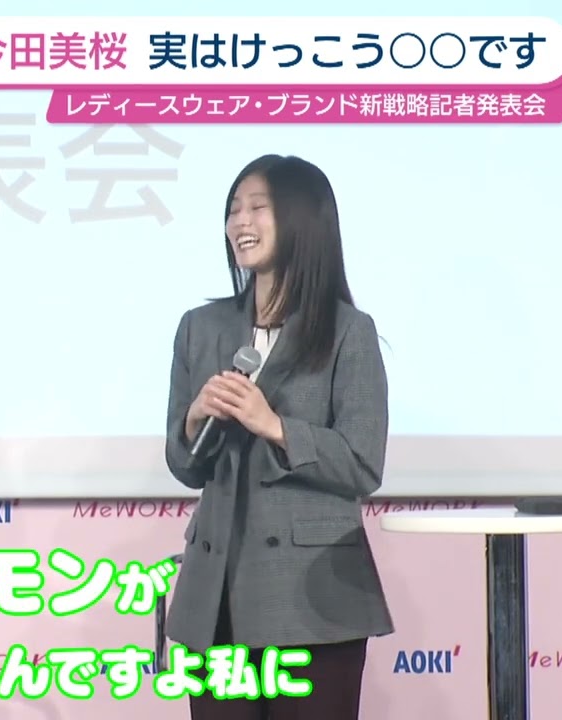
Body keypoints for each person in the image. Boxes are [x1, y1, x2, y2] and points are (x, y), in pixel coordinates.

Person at [161, 154, 394, 719]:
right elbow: (185, 465)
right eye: (233, 209)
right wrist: (194, 419)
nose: (240, 222)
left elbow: (362, 465)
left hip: (312, 600)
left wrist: (275, 426)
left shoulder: (348, 332)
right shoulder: (201, 328)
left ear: (302, 219)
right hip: (216, 597)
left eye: (257, 207)